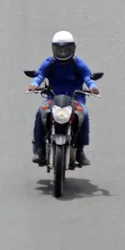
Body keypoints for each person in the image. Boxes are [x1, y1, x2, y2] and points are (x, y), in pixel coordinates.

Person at [27, 31, 99, 166]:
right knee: (40, 113)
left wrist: (93, 87)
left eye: (66, 49)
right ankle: (40, 149)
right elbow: (40, 75)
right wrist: (34, 84)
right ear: (54, 49)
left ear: (73, 48)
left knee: (84, 114)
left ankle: (80, 151)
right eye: (60, 49)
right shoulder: (50, 63)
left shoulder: (78, 63)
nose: (63, 52)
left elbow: (88, 78)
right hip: (53, 99)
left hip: (75, 99)